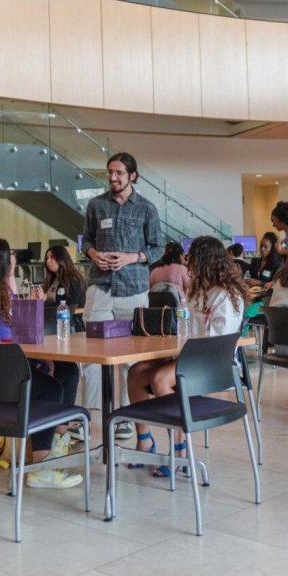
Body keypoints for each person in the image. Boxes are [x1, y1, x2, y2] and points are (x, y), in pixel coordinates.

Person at [0, 236, 83, 489]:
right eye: (9, 256)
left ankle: (52, 440)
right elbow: (7, 345)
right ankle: (42, 465)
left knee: (66, 369)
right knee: (52, 386)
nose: (14, 258)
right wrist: (41, 356)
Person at [126, 237, 246, 475]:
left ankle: (180, 451)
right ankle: (145, 441)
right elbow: (185, 330)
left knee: (160, 379)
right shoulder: (196, 293)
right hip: (187, 357)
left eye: (193, 259)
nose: (188, 263)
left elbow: (215, 342)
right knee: (136, 373)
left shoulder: (226, 296)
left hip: (211, 364)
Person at [81, 152, 164, 428]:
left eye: (119, 173)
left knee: (132, 359)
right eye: (110, 172)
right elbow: (86, 241)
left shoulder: (147, 209)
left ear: (133, 176)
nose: (113, 177)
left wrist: (133, 257)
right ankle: (90, 416)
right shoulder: (95, 205)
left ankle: (128, 417)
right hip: (100, 286)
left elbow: (158, 248)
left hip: (134, 288)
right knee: (92, 356)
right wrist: (93, 254)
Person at [38, 244, 86, 331]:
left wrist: (44, 301)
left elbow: (71, 306)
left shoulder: (73, 279)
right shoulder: (52, 279)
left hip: (70, 324)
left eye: (52, 257)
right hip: (52, 321)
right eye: (47, 258)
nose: (48, 261)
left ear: (61, 259)